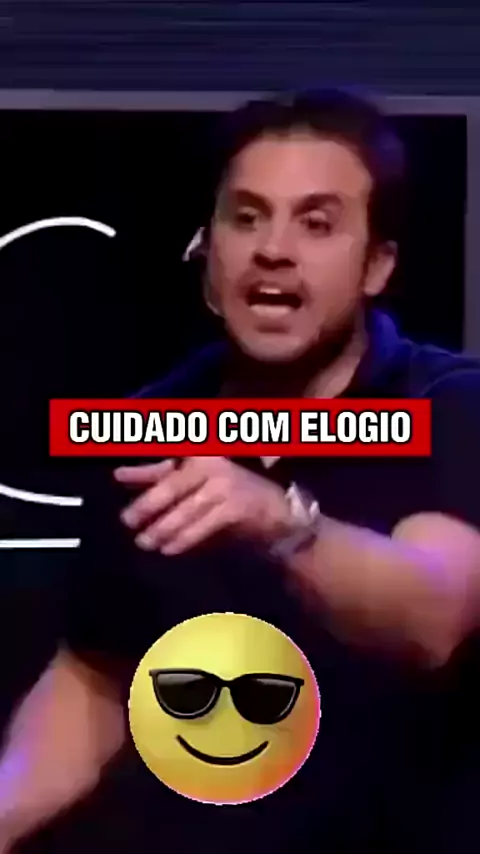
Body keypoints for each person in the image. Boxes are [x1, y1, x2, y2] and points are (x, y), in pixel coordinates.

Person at [1, 89, 480, 854]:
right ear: (207, 253)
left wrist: (282, 522)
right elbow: (99, 674)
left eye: (316, 223)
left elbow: (435, 616)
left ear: (377, 265)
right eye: (246, 218)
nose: (273, 250)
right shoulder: (146, 425)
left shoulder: (449, 402)